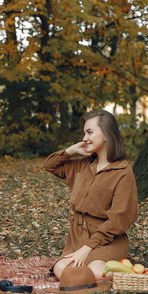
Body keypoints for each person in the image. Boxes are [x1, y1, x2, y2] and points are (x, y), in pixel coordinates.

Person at [43, 110, 138, 281]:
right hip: (77, 237)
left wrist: (87, 248)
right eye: (84, 132)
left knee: (95, 273)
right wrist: (72, 149)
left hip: (107, 239)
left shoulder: (123, 172)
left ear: (107, 135)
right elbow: (50, 165)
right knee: (61, 270)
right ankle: (100, 266)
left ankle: (125, 268)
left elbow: (119, 220)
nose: (85, 137)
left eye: (90, 132)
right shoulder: (82, 165)